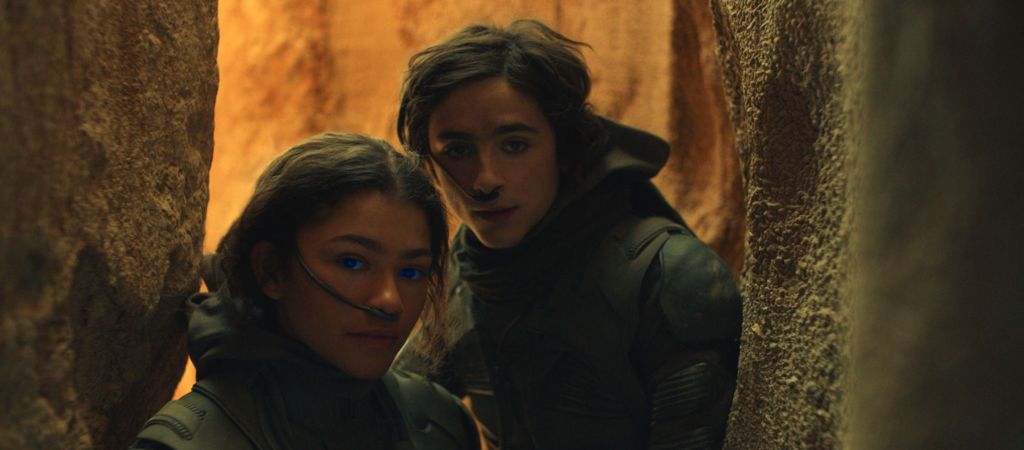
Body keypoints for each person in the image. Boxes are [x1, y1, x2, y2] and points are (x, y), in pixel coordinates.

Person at [395, 20, 742, 449]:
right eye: (458, 151)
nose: (485, 180)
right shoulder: (462, 275)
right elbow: (393, 411)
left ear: (563, 147)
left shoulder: (667, 276)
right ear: (430, 165)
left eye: (514, 145)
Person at [130, 133, 479, 450]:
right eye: (352, 263)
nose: (390, 301)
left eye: (411, 272)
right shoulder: (186, 443)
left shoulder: (441, 423)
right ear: (271, 270)